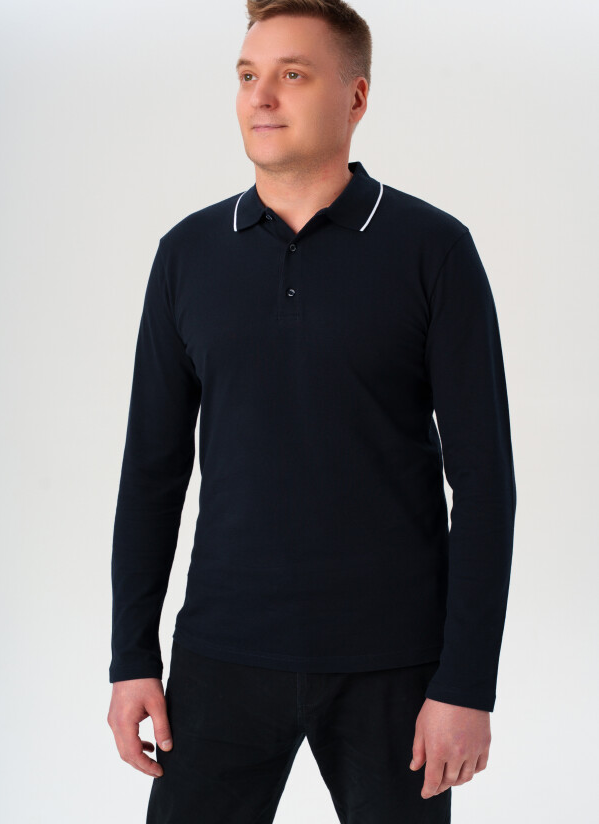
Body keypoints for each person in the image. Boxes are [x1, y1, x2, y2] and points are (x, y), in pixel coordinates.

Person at [107, 1, 517, 822]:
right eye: (248, 75)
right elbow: (152, 470)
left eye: (292, 74)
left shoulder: (433, 250)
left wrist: (467, 684)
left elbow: (484, 483)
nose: (261, 97)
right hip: (221, 655)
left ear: (356, 98)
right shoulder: (187, 255)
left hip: (394, 667)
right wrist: (131, 657)